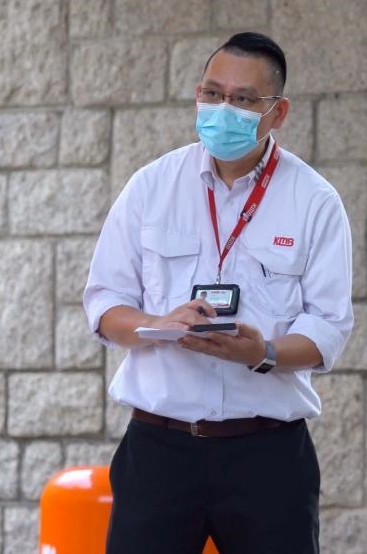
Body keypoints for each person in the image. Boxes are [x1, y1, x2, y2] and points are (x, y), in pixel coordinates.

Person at [83, 32, 353, 553]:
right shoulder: (151, 186)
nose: (223, 110)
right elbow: (104, 303)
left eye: (243, 99)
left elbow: (328, 328)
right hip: (158, 451)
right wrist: (160, 324)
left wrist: (262, 353)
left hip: (267, 456)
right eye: (212, 93)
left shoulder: (314, 201)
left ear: (277, 113)